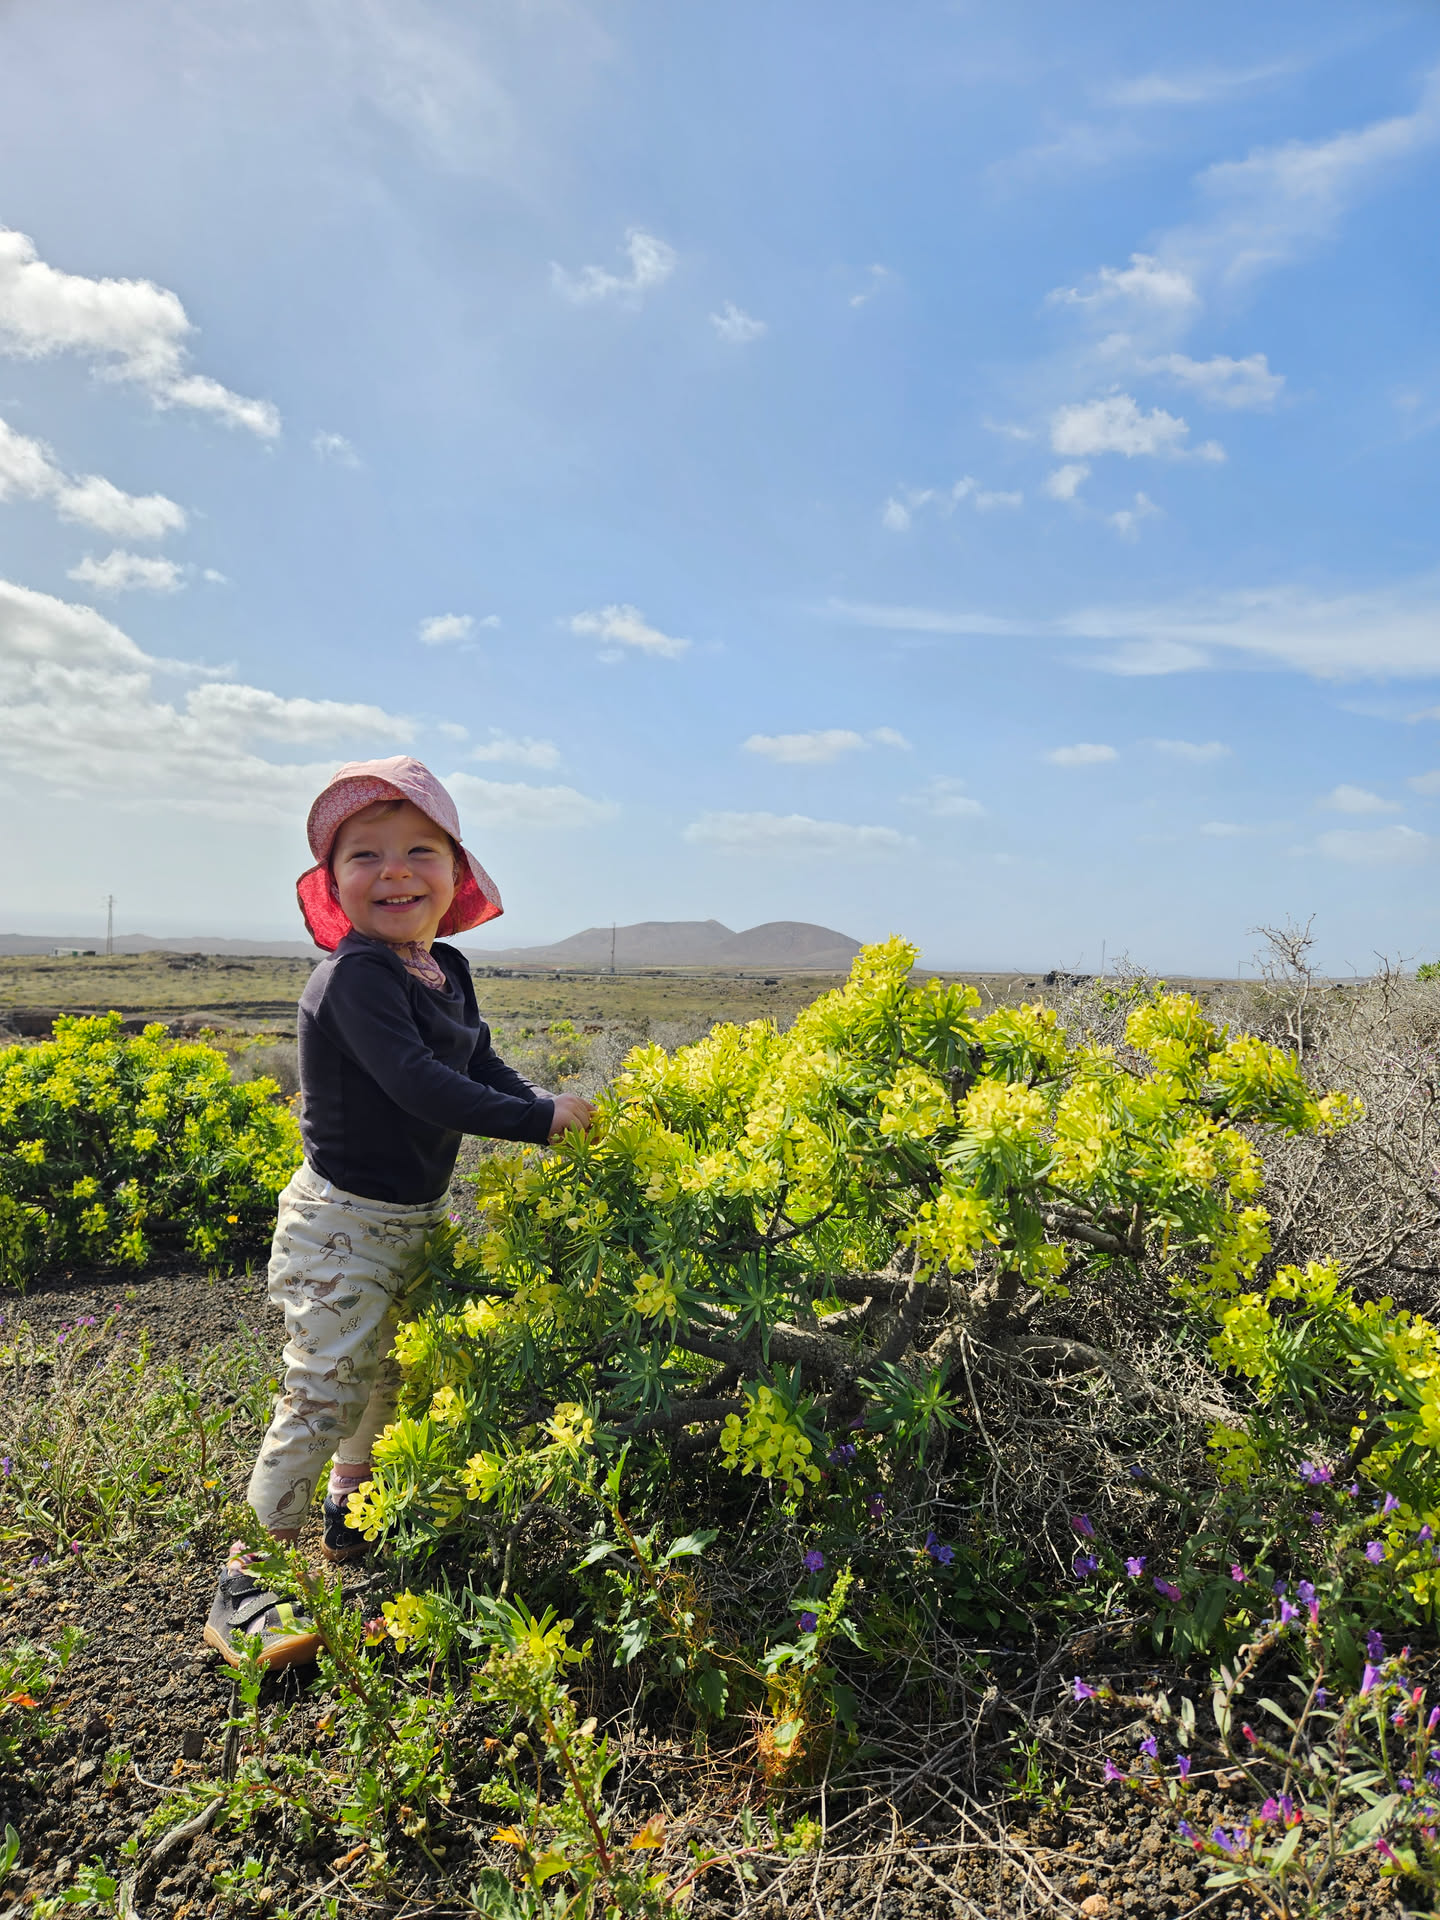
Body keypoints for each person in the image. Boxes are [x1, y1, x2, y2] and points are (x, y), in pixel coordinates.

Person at [204, 756, 595, 1669]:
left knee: (387, 1378)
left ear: (457, 873)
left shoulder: (444, 969)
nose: (395, 872)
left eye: (421, 850)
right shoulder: (354, 979)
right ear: (333, 881)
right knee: (322, 1389)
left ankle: (353, 1510)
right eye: (365, 855)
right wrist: (538, 1122)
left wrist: (539, 1101)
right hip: (339, 1224)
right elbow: (419, 1083)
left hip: (413, 1217)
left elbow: (478, 1063)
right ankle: (247, 1580)